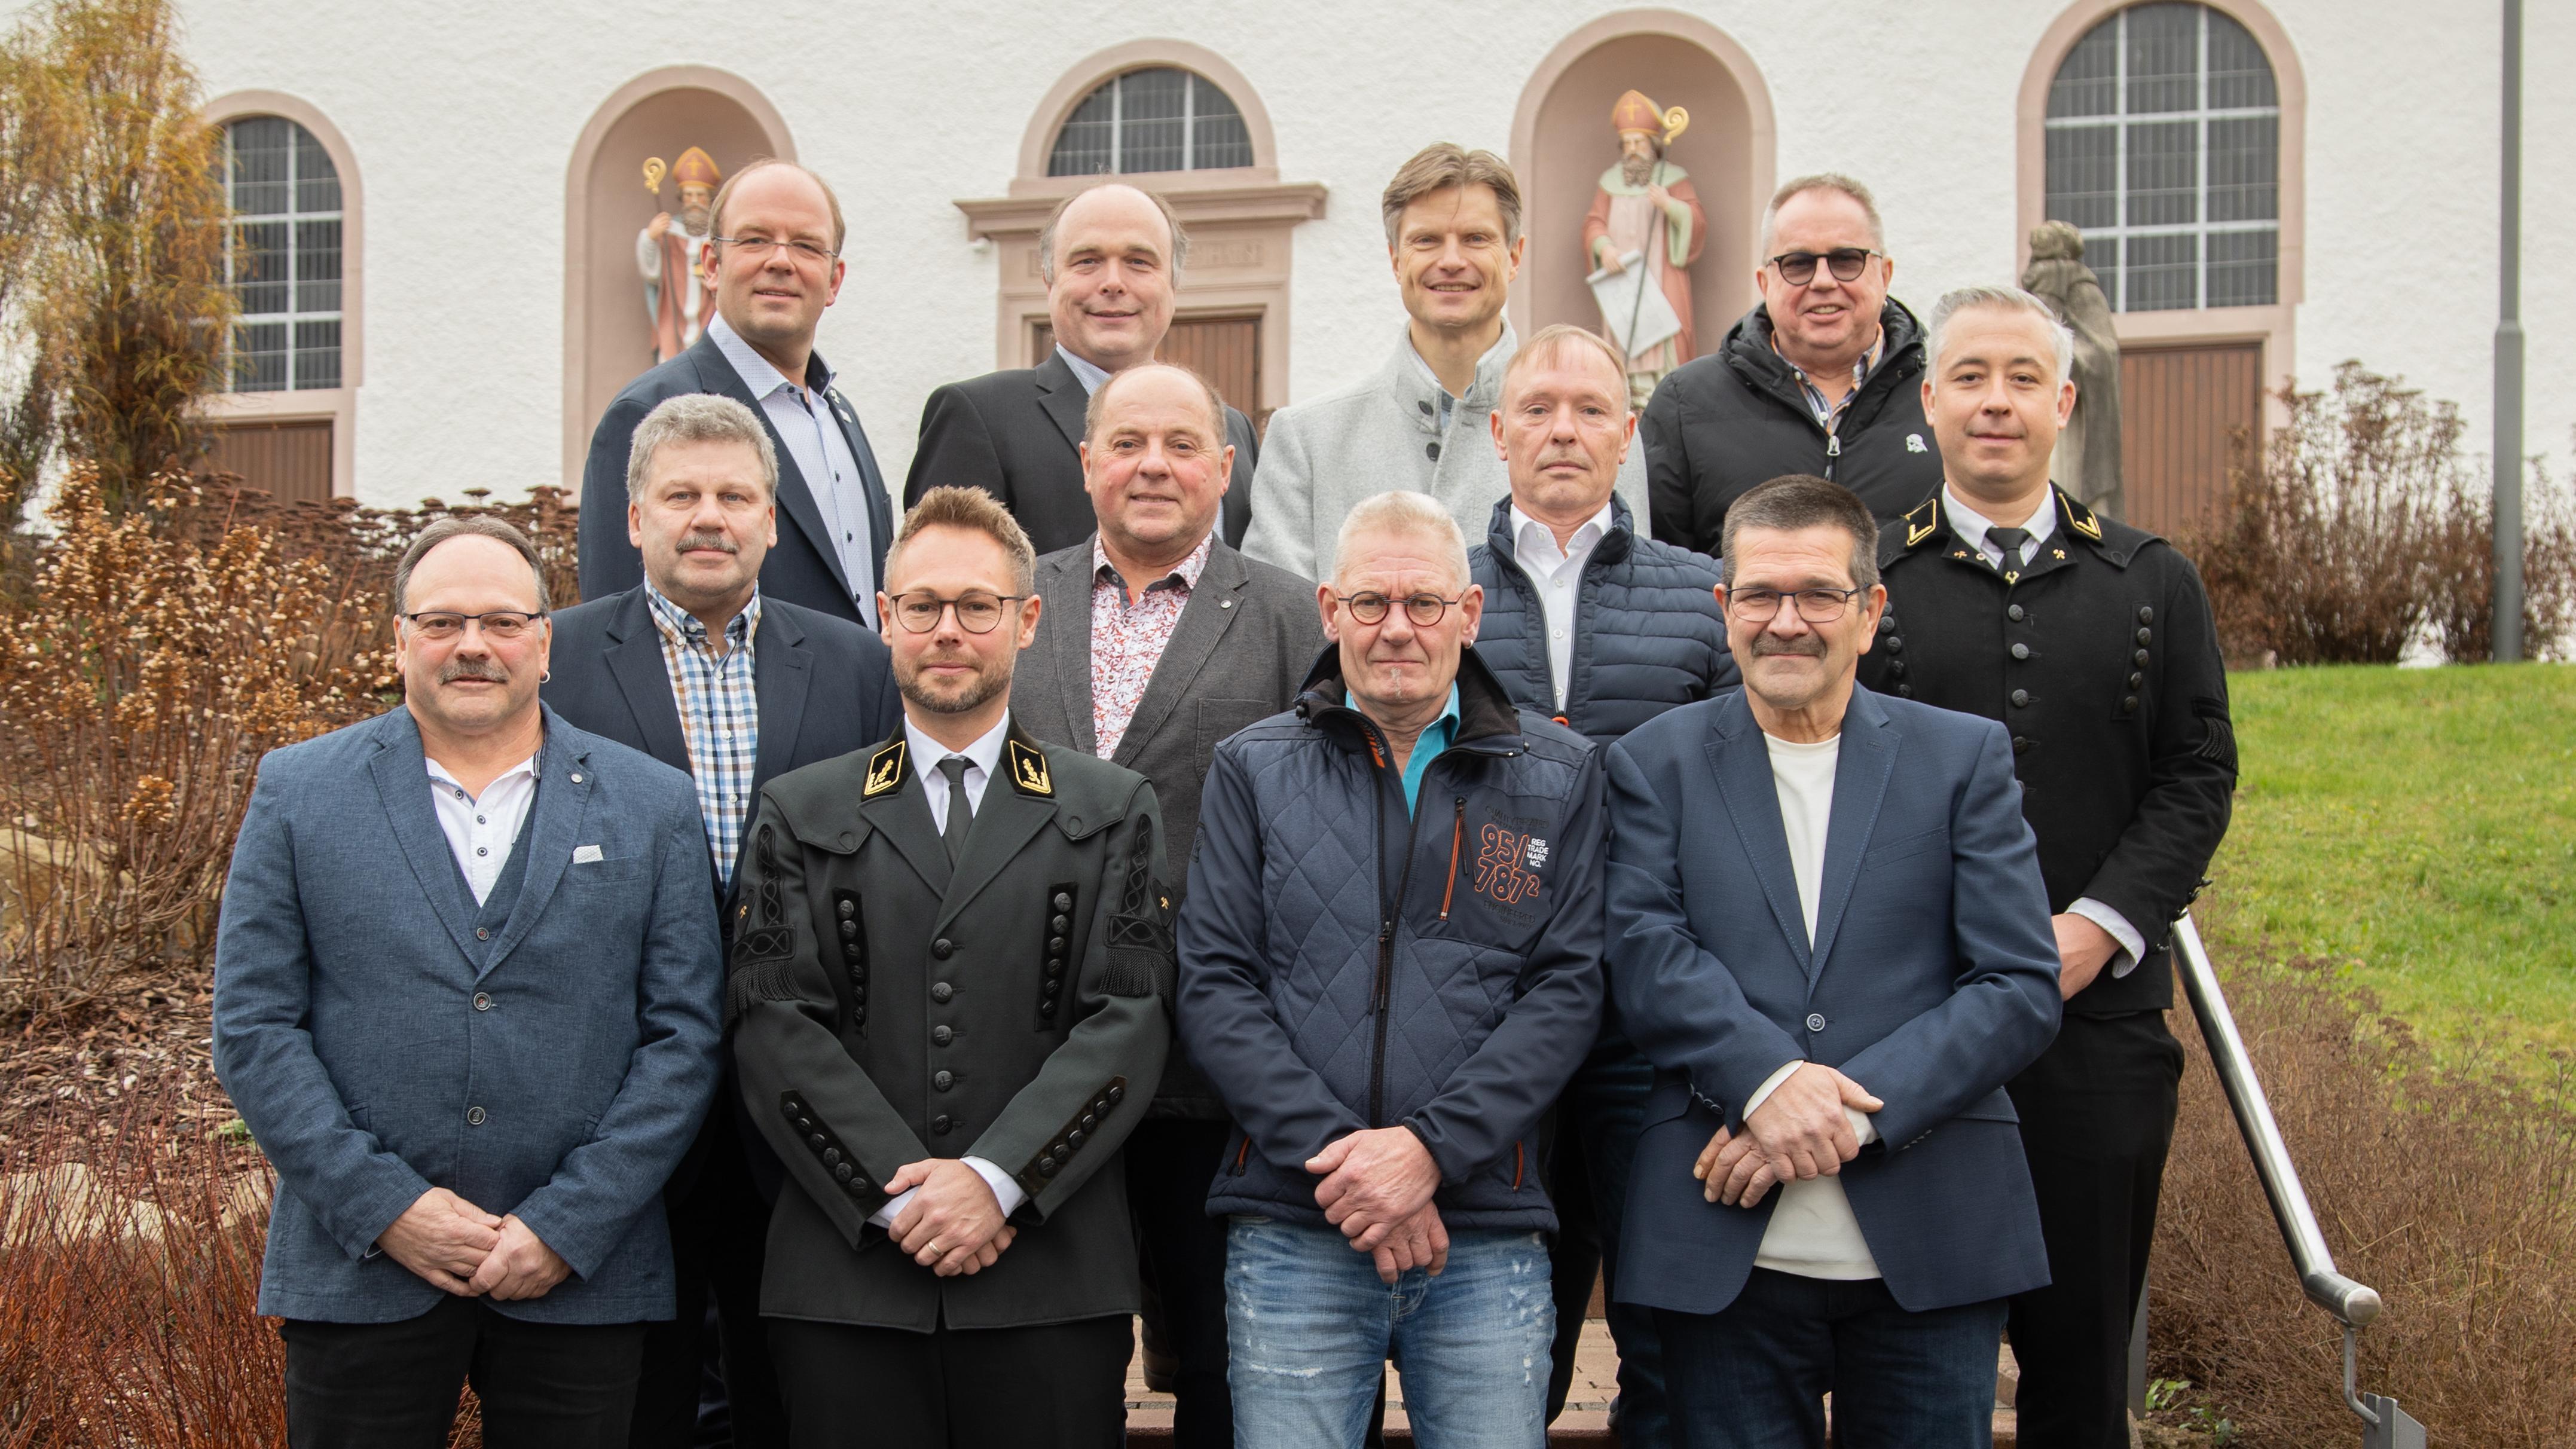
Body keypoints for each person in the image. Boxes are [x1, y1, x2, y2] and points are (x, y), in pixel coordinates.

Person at [213, 517, 723, 1448]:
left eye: (501, 621)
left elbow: (685, 1038)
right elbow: (254, 1028)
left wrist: (567, 1224)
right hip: (361, 1266)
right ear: (399, 639)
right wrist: (388, 1210)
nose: (474, 647)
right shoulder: (298, 791)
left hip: (582, 1273)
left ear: (545, 641)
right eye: (443, 623)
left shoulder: (653, 804)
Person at [1606, 475, 2063, 1449]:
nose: (1786, 620)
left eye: (1816, 592)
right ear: (1722, 607)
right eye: (1760, 594)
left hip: (1933, 1235)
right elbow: (1645, 955)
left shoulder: (1960, 757)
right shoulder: (1652, 762)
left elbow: (2016, 983)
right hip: (1717, 1236)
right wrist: (1764, 1081)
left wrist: (1833, 1118)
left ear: (1867, 611)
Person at [1859, 285, 2235, 1449]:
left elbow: (2196, 775)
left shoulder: (2151, 581)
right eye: (1970, 376)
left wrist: (2100, 925)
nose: (1996, 402)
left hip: (2101, 1037)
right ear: (1930, 401)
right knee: (1912, 1375)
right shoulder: (1870, 584)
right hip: (1911, 1035)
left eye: (2023, 378)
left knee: (2080, 1384)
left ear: (2063, 403)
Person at [726, 486, 1173, 1449]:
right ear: (886, 619)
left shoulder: (1111, 807)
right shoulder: (799, 812)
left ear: (1027, 620)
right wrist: (904, 1197)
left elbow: (1129, 1021)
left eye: (978, 605)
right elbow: (772, 1028)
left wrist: (996, 1180)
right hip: (848, 1283)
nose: (949, 629)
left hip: (1049, 1278)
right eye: (921, 605)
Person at [1178, 491, 1607, 1449]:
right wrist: (1353, 1165)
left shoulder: (1560, 775)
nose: (1397, 629)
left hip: (1484, 1230)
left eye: (1424, 602)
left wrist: (1426, 1155)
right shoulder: (1254, 767)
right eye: (1370, 604)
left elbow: (1566, 992)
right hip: (1296, 1223)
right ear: (1330, 613)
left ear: (1470, 612)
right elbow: (1214, 982)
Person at [542, 393, 903, 1449]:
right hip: (612, 1097)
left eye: (734, 494)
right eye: (682, 494)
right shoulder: (554, 661)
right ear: (634, 516)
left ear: (772, 517)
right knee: (636, 1394)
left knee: (784, 1385)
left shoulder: (855, 664)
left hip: (802, 1096)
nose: (710, 515)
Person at [1007, 362, 1324, 1449]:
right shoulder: (1014, 602)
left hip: (1213, 1062)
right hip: (1033, 1055)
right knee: (1056, 1351)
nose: (1153, 463)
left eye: (1182, 442)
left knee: (1219, 1353)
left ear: (1225, 466)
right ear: (1085, 459)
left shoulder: (1287, 612)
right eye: (1127, 439)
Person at [1466, 323, 1735, 1448]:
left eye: (1588, 407)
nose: (1562, 428)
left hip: (1646, 1012)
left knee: (1663, 1305)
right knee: (1500, 1326)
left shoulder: (1703, 593)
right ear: (1497, 432)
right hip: (1489, 1010)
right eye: (1536, 408)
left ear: (1628, 431)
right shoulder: (1439, 593)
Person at [1243, 143, 1646, 583]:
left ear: (1513, 255)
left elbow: (1627, 603)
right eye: (1426, 240)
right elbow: (1279, 630)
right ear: (1396, 259)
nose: (1451, 261)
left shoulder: (1595, 430)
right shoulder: (1306, 441)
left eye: (1475, 238)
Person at [583, 159, 894, 629]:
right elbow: (616, 631)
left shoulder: (838, 413)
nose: (780, 261)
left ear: (833, 280)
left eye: (807, 246)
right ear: (711, 264)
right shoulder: (649, 412)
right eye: (755, 240)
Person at [907, 182, 1263, 556]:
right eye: (1087, 261)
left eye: (1139, 262)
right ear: (1049, 281)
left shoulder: (1232, 427)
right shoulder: (979, 415)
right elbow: (945, 583)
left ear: (1173, 285)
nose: (1113, 283)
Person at [1642, 174, 1943, 555]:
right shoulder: (1685, 403)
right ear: (1765, 283)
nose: (1822, 281)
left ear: (1885, 275)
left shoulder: (1946, 394)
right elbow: (1658, 574)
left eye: (1846, 260)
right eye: (1798, 263)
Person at [1584, 90, 1707, 408]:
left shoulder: (1673, 179)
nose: (1633, 151)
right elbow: (1594, 223)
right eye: (1627, 144)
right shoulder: (1609, 182)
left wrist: (1670, 205)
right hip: (1622, 281)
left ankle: (1665, 401)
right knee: (1625, 345)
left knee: (1665, 340)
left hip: (1661, 281)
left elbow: (1696, 219)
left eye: (1639, 143)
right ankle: (1629, 403)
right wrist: (1604, 247)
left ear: (1653, 145)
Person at [641, 146, 722, 362]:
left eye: (699, 195)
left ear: (710, 198)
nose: (694, 201)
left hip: (709, 311)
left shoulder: (719, 234)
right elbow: (652, 274)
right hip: (675, 315)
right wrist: (650, 238)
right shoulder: (671, 232)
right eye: (688, 195)